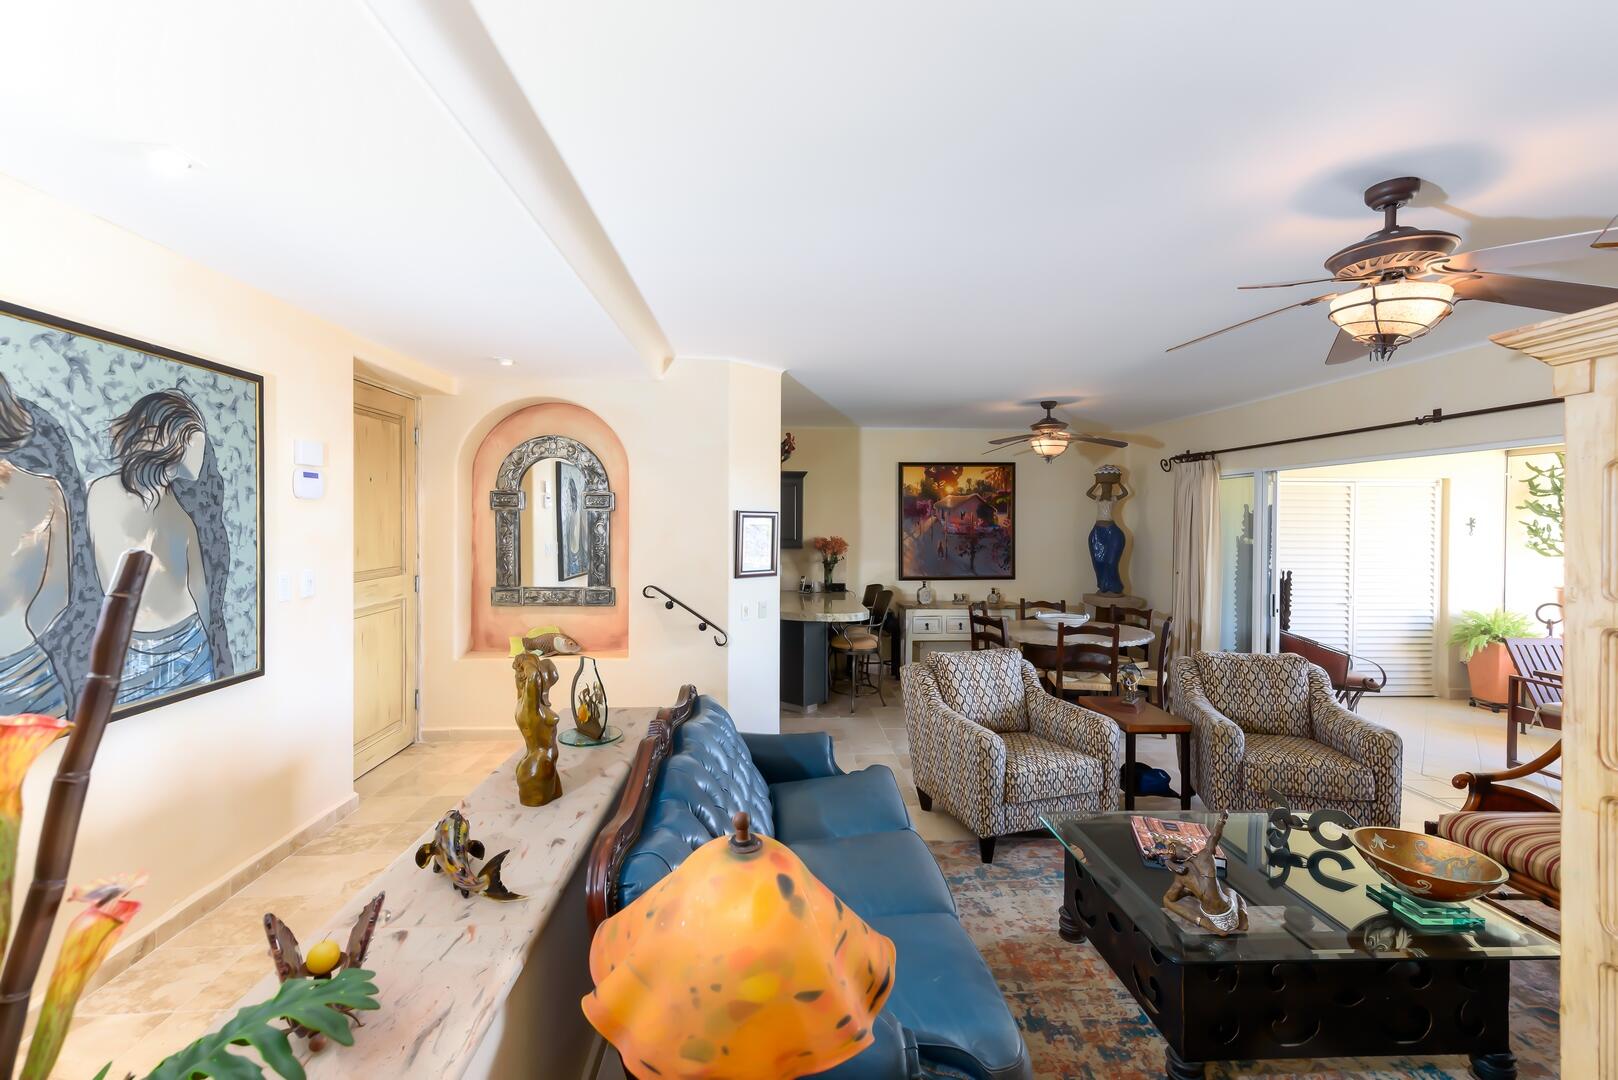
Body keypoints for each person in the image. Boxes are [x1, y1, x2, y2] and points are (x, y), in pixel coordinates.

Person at [86, 389, 214, 704]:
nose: (202, 448)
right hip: (132, 649)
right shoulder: (99, 493)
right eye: (196, 437)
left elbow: (198, 588)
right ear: (171, 437)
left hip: (189, 644)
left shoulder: (178, 510)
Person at [0, 372, 70, 715]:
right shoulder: (47, 491)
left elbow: (58, 595)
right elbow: (57, 596)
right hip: (32, 673)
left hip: (29, 682)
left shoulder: (48, 491)